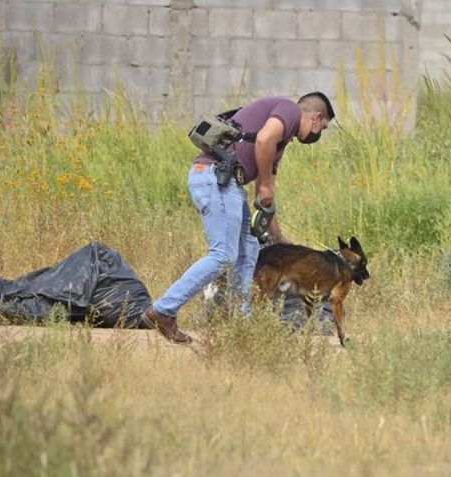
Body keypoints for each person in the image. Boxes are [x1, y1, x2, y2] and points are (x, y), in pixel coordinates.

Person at [141, 92, 335, 343]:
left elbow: (266, 195)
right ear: (316, 117)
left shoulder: (281, 142)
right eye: (322, 127)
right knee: (223, 255)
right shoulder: (288, 109)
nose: (318, 133)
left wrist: (279, 238)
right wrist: (263, 185)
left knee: (250, 247)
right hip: (215, 177)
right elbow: (264, 142)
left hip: (229, 184)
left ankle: (241, 323)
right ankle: (164, 310)